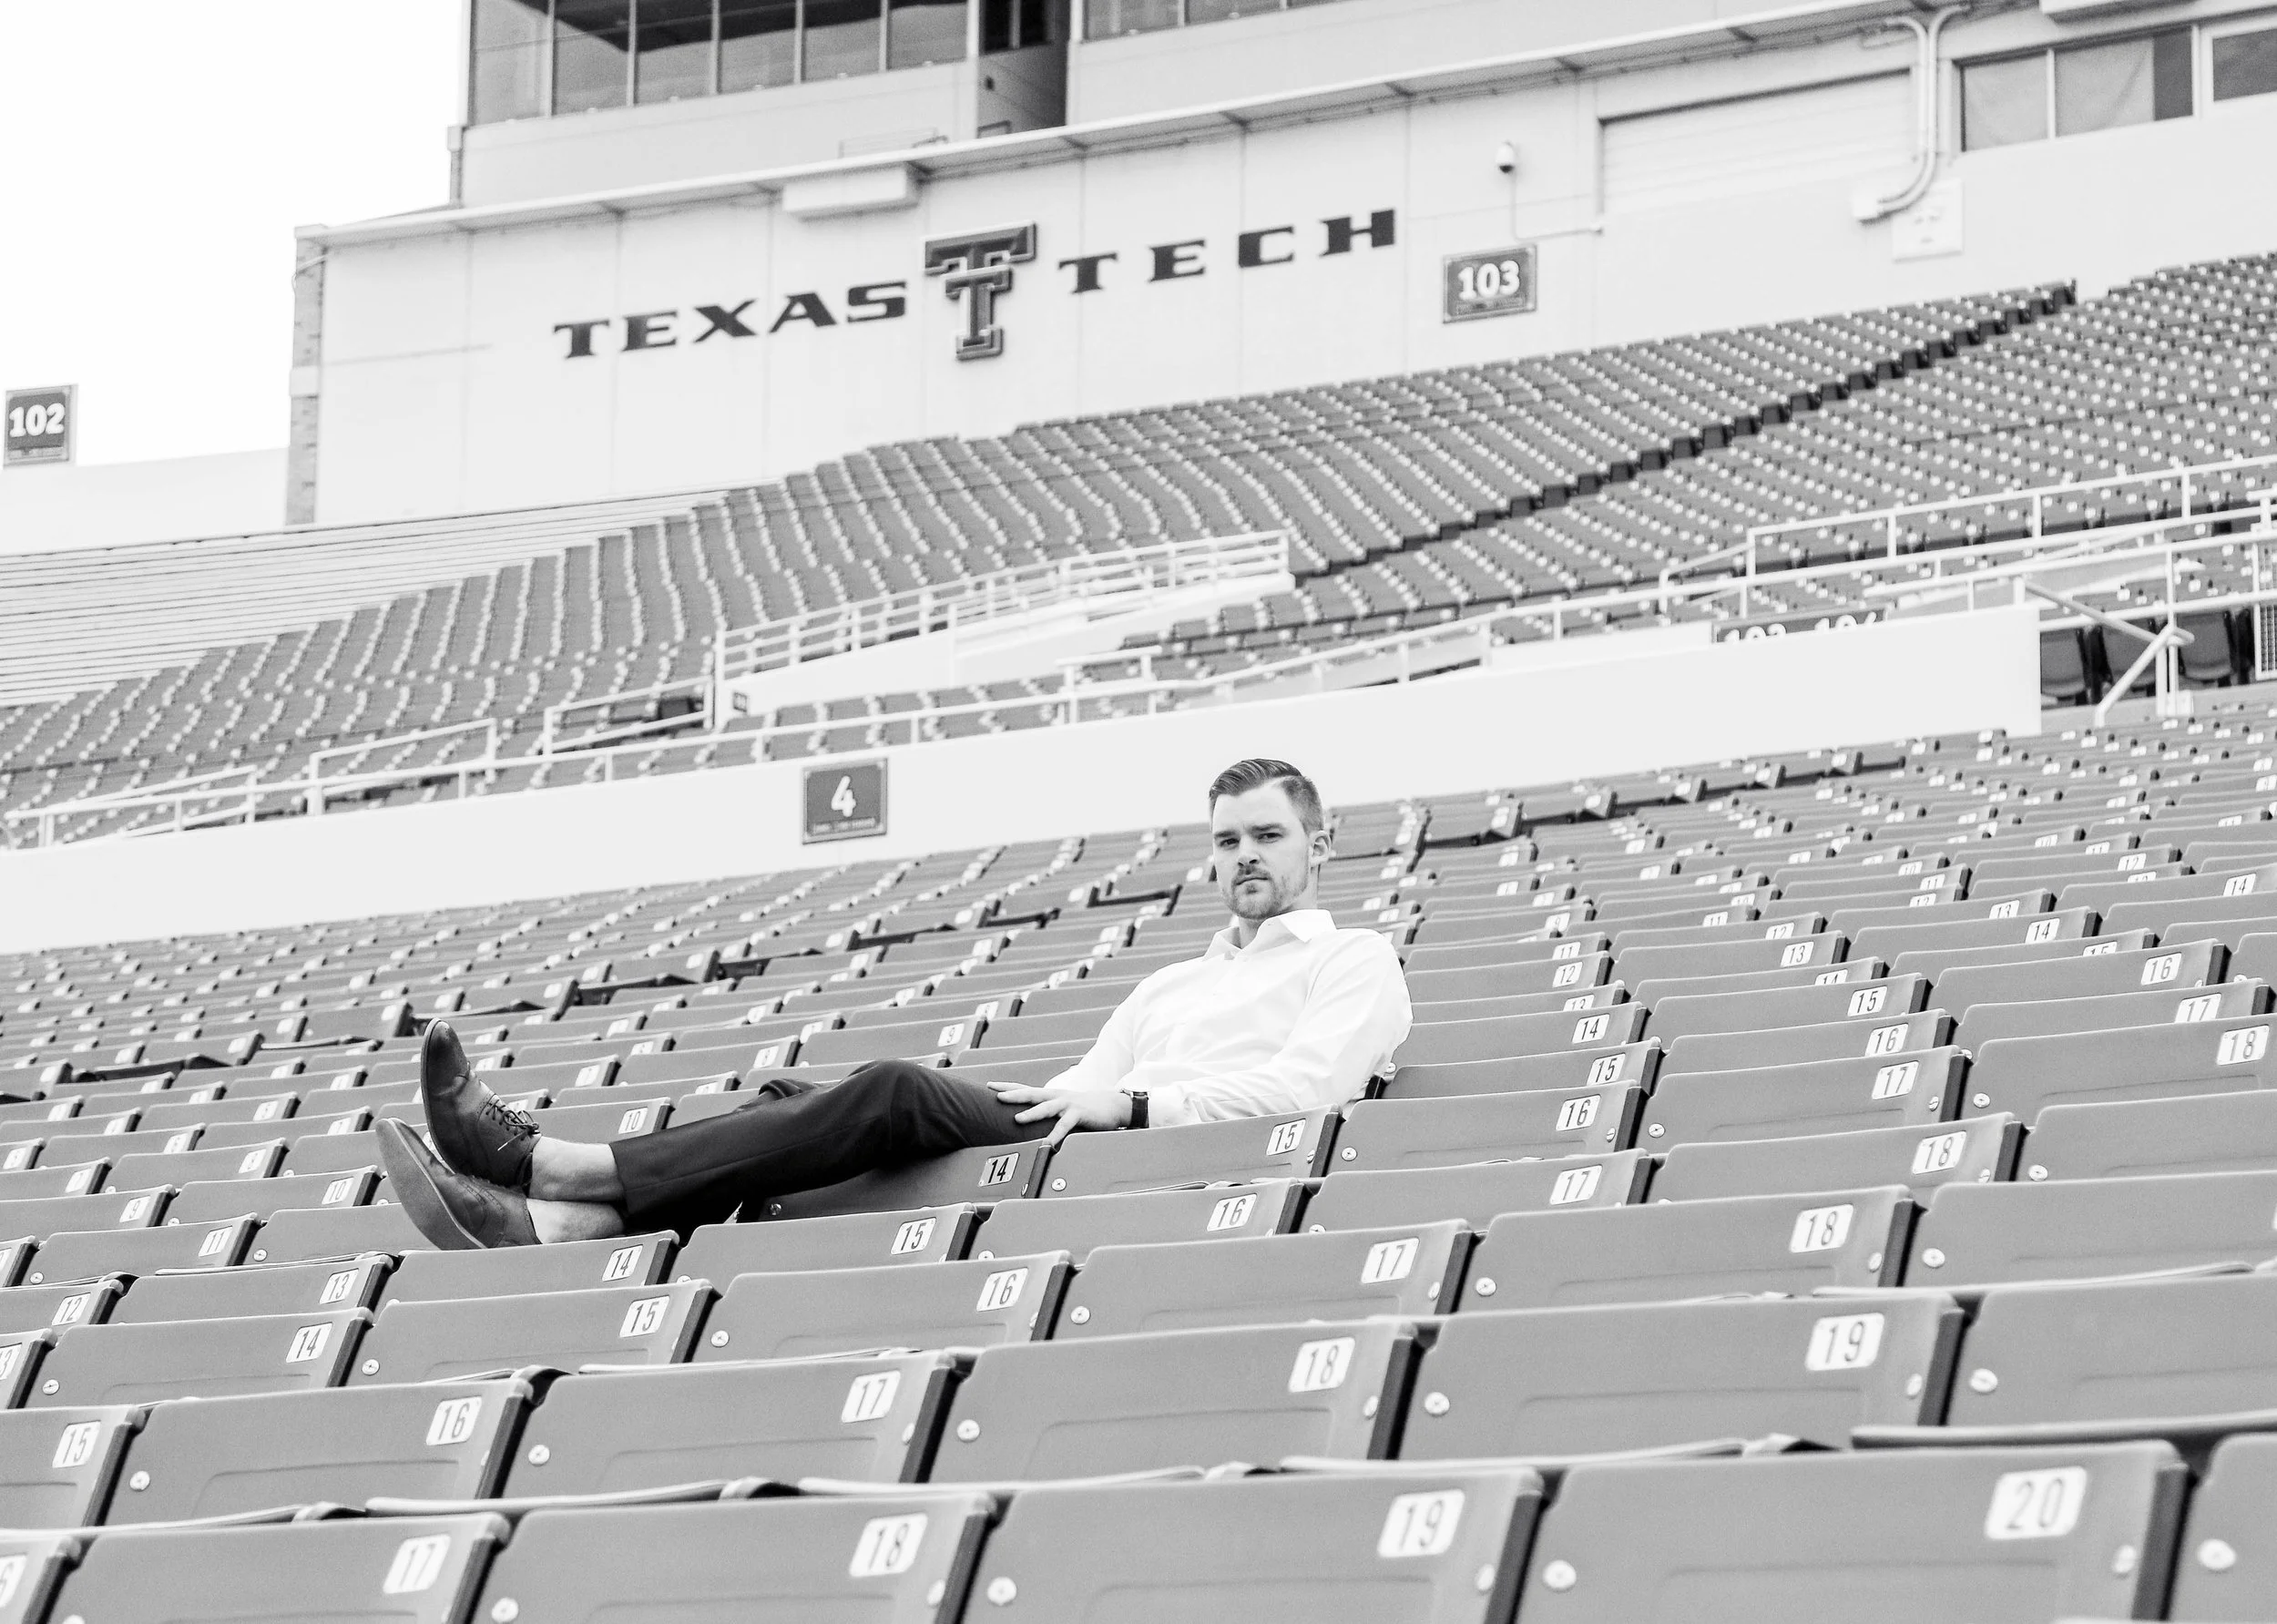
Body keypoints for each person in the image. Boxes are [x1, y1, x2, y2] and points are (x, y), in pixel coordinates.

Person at [377, 757, 1412, 1249]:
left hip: (1171, 1153)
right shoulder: (1173, 981)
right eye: (1227, 838)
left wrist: (1134, 1108)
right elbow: (1077, 1096)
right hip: (1086, 1139)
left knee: (891, 1094)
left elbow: (1305, 1093)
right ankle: (555, 1229)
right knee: (791, 1096)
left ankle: (554, 1169)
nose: (1242, 857)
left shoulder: (1355, 960)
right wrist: (1098, 1102)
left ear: (1318, 845)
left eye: (1266, 837)